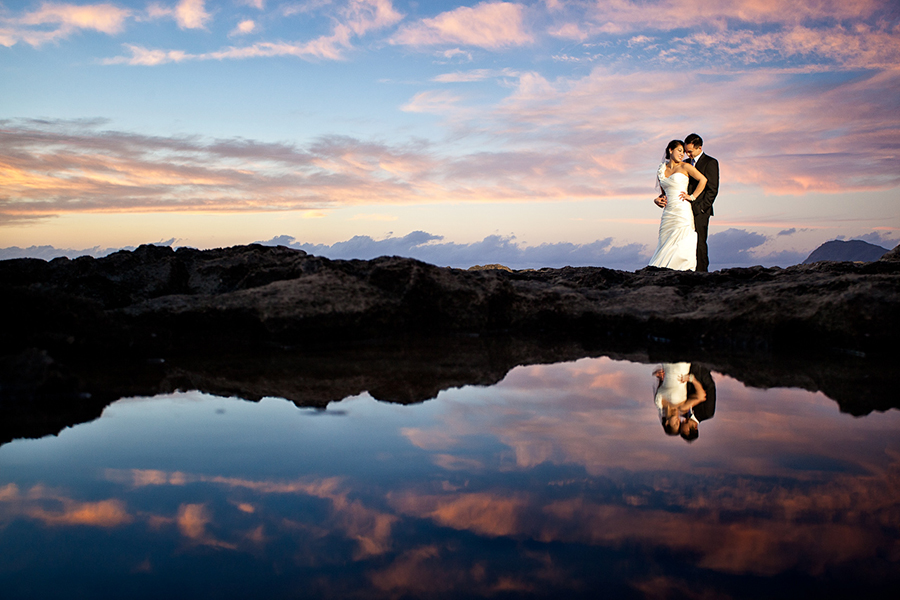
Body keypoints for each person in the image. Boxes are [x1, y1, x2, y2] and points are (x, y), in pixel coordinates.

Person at [655, 134, 719, 272]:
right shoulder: (682, 163)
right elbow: (671, 187)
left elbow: (712, 188)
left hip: (699, 208)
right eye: (684, 150)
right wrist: (658, 199)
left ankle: (701, 273)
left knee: (699, 243)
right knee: (677, 242)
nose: (687, 154)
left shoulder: (710, 162)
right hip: (679, 207)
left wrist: (699, 205)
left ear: (699, 148)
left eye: (689, 151)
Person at [648, 140, 707, 271]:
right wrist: (657, 200)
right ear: (670, 150)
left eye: (683, 152)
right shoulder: (661, 169)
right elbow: (663, 194)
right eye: (679, 151)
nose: (682, 154)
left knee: (683, 242)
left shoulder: (685, 167)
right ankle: (662, 271)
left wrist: (692, 197)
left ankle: (683, 270)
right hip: (668, 212)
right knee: (665, 243)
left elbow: (703, 180)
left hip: (682, 210)